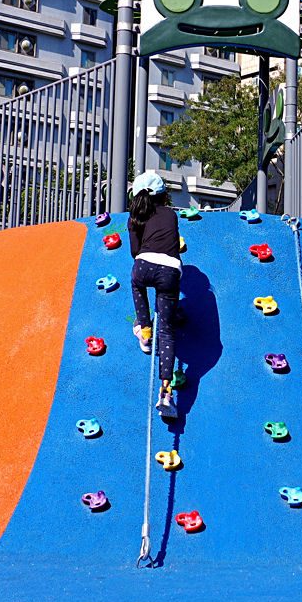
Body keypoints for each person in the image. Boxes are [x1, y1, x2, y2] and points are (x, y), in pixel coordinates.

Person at [127, 171, 182, 419]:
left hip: (144, 264)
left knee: (137, 283)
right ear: (163, 196)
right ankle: (166, 393)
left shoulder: (135, 217)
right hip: (170, 269)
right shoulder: (171, 214)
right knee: (168, 331)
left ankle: (145, 330)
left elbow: (135, 251)